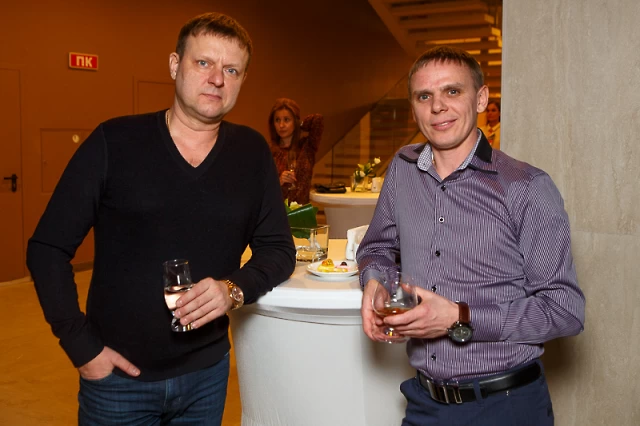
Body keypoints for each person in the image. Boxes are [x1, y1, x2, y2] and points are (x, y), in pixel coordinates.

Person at [26, 12, 295, 425]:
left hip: (207, 376)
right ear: (174, 65)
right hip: (118, 382)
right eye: (203, 62)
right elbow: (48, 248)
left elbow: (278, 250)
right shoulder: (114, 141)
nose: (216, 79)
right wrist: (81, 347)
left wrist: (233, 290)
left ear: (242, 79)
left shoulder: (251, 152)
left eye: (231, 70)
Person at [357, 46, 585, 425]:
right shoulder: (402, 169)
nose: (437, 106)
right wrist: (375, 282)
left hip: (505, 406)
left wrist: (458, 317)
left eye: (452, 91)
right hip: (424, 402)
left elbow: (565, 310)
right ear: (413, 107)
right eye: (424, 96)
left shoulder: (526, 187)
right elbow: (378, 247)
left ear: (480, 99)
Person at [268, 98, 324, 204]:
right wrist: (279, 181)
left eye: (286, 120)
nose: (281, 125)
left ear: (295, 121)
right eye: (277, 120)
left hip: (302, 209)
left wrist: (299, 124)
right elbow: (261, 186)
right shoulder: (269, 151)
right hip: (278, 209)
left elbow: (318, 120)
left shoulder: (307, 147)